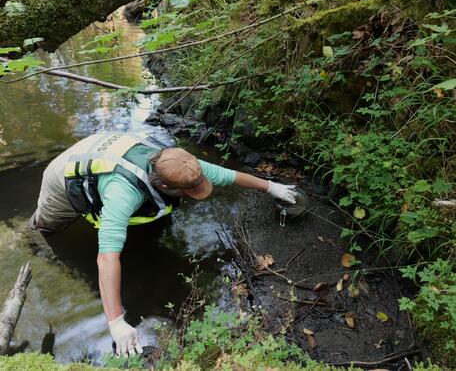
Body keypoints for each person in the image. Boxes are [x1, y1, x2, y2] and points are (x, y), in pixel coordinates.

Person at [29, 130, 298, 356]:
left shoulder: (182, 165)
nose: (195, 194)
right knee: (48, 228)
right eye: (189, 193)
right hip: (65, 175)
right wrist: (115, 322)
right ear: (164, 186)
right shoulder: (123, 193)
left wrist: (272, 187)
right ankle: (27, 239)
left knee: (153, 218)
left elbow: (231, 176)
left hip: (106, 146)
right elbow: (107, 258)